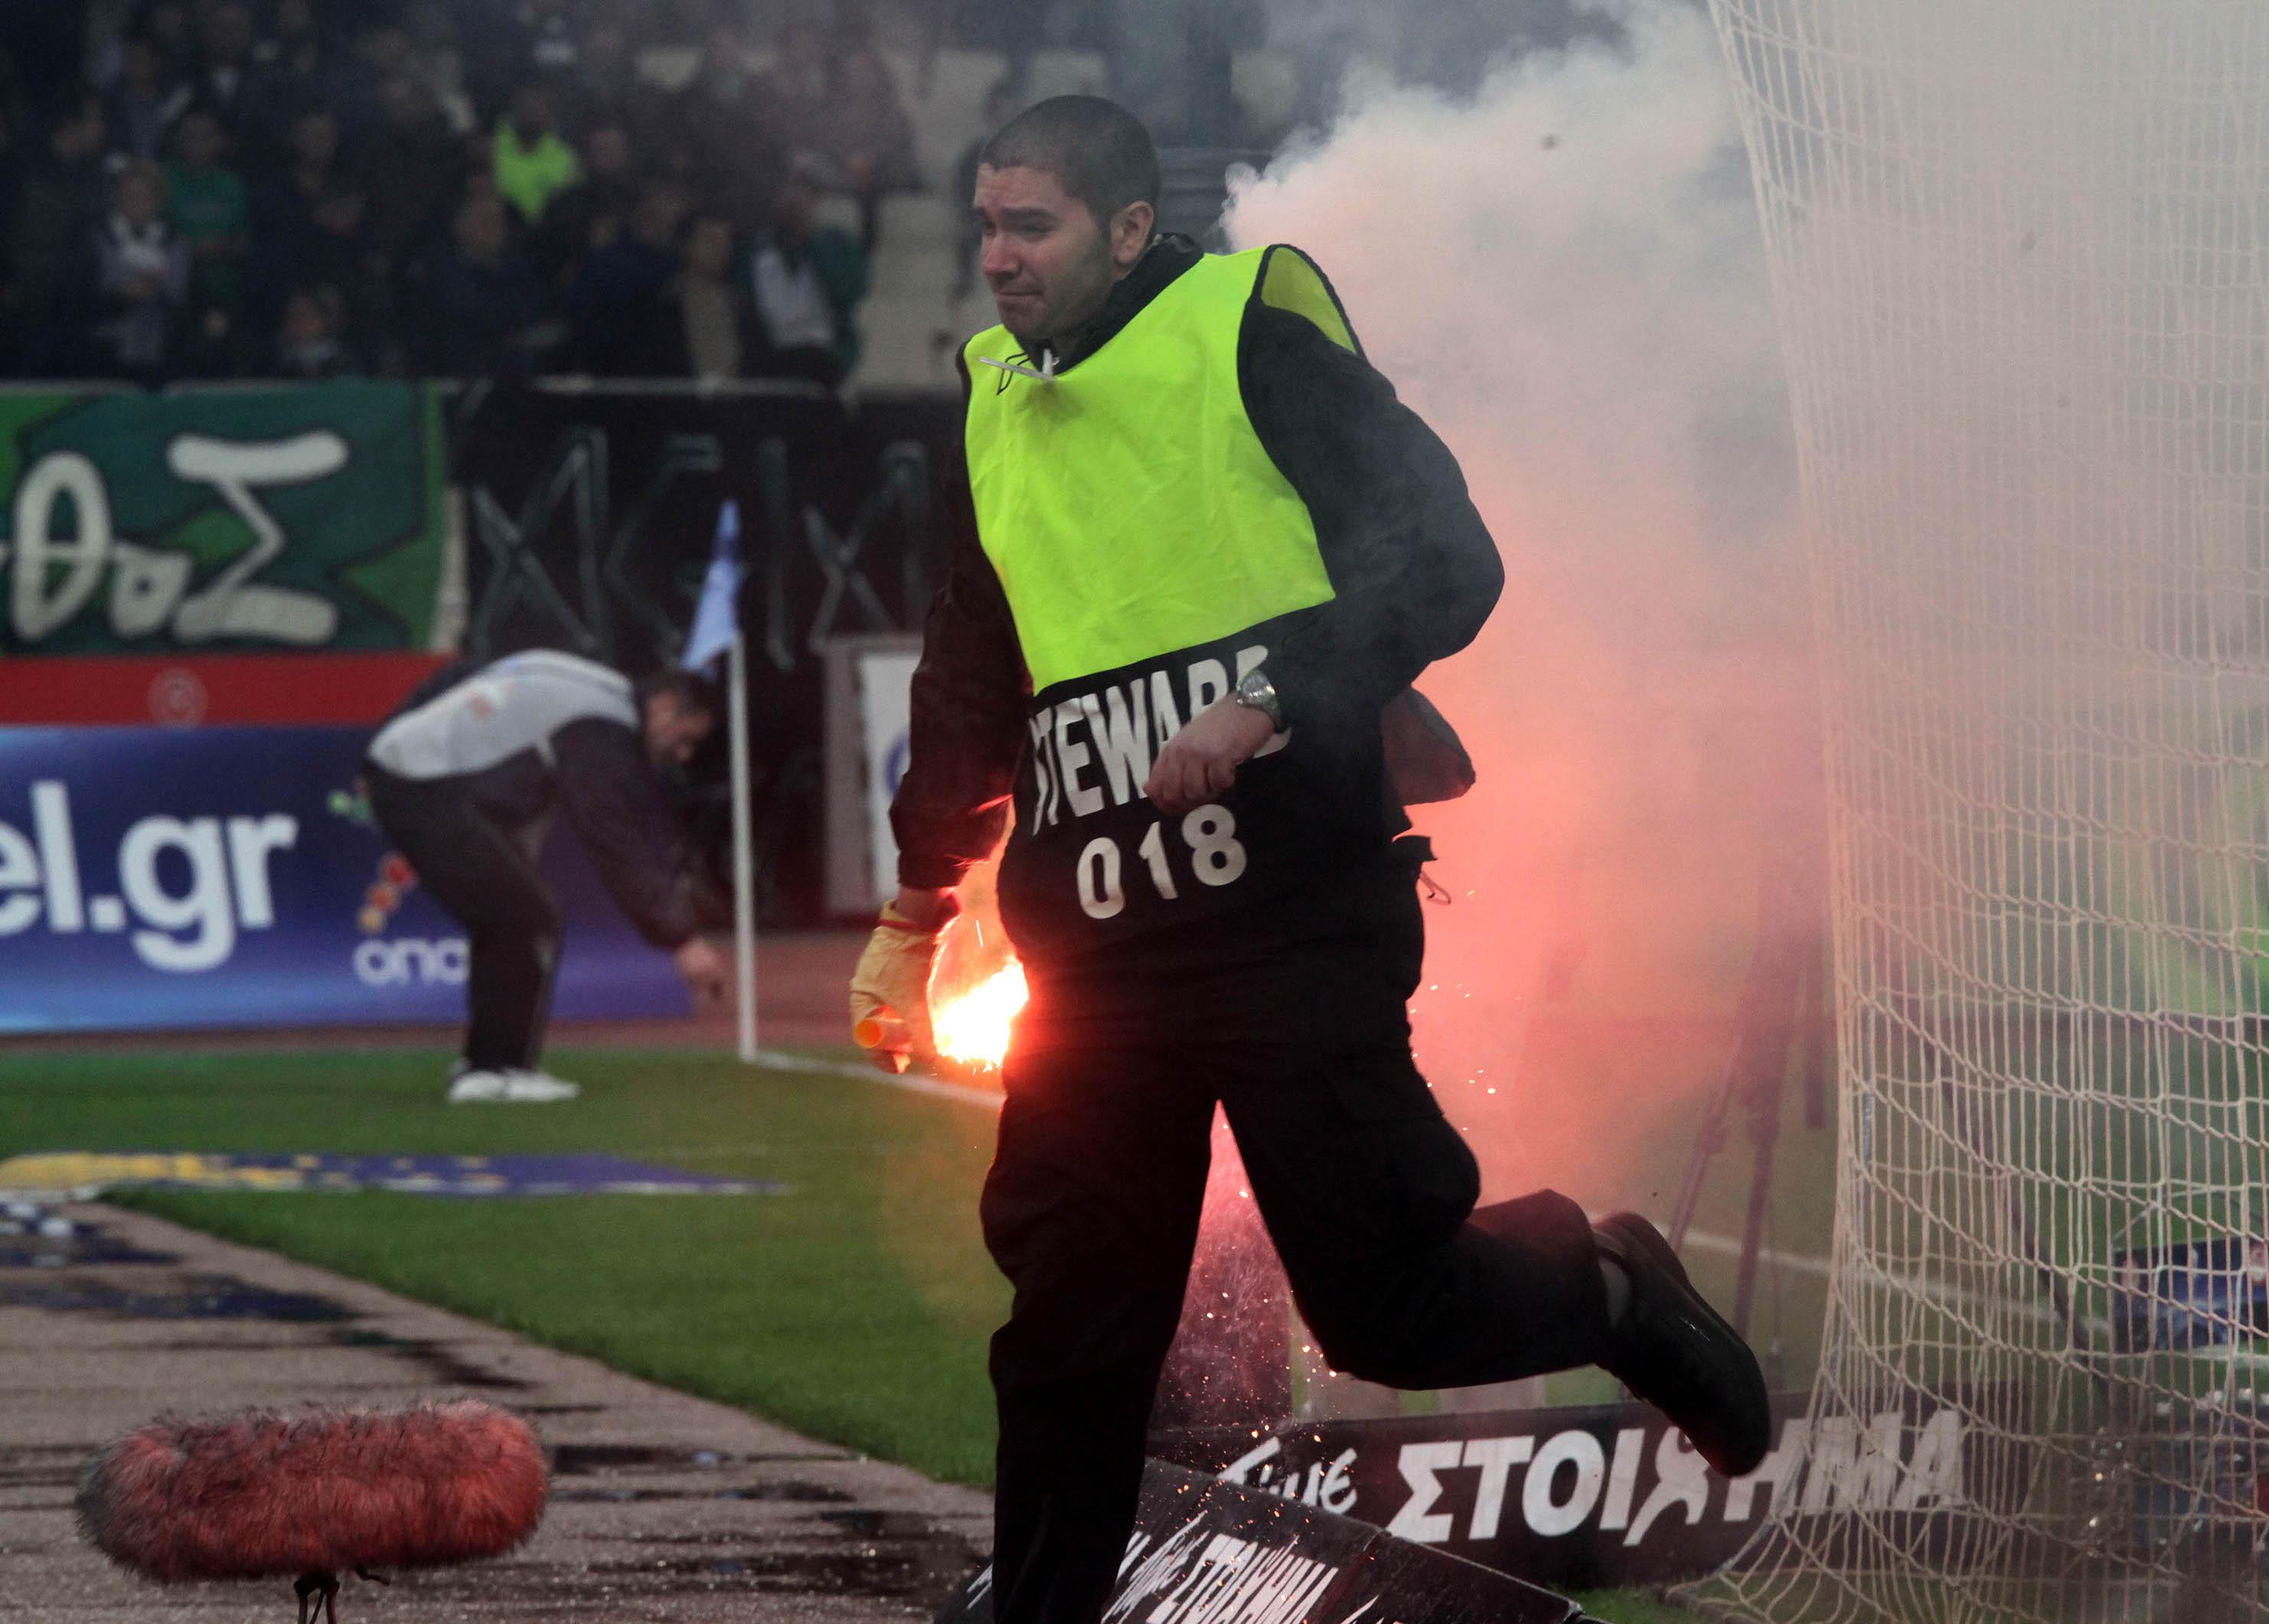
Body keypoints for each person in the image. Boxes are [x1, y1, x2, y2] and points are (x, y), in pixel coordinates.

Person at [848, 95, 1772, 1624]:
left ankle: (1606, 1282)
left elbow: (1444, 553)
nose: (996, 259)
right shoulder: (992, 401)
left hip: (1292, 923)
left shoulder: (1246, 333)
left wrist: (1268, 696)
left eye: (1033, 227)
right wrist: (918, 900)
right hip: (1096, 953)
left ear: (1130, 230)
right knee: (1073, 1333)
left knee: (1385, 1305)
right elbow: (967, 679)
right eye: (985, 228)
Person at [364, 651, 729, 1104]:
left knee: (510, 917)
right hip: (418, 784)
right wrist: (681, 939)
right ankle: (497, 1069)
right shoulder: (603, 723)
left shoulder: (594, 683)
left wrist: (385, 741)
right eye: (684, 740)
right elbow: (609, 834)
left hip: (404, 771)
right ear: (665, 706)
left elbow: (469, 672)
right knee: (527, 917)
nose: (683, 755)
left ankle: (486, 1065)